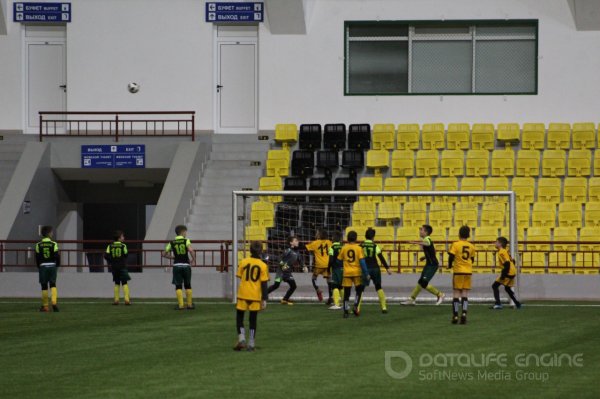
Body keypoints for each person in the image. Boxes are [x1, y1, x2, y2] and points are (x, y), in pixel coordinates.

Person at [234, 241, 269, 352]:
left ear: (250, 250)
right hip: (255, 295)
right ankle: (251, 343)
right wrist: (264, 299)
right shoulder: (263, 265)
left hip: (243, 293)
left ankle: (242, 337)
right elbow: (264, 283)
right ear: (261, 251)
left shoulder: (243, 262)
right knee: (252, 319)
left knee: (240, 316)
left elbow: (239, 276)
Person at [402, 225, 445, 306]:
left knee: (424, 282)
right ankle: (412, 299)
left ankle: (440, 295)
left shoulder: (427, 239)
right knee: (420, 282)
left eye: (421, 230)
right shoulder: (426, 239)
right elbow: (432, 251)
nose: (420, 231)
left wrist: (414, 242)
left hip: (432, 265)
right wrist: (425, 257)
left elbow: (427, 243)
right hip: (428, 264)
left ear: (426, 232)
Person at [162, 225, 196, 310]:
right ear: (182, 232)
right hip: (186, 265)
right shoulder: (186, 240)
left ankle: (181, 305)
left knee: (178, 285)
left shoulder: (172, 242)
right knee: (188, 285)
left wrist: (172, 257)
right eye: (185, 232)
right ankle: (189, 304)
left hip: (177, 266)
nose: (186, 234)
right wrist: (194, 259)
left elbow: (163, 254)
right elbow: (191, 250)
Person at [448, 226, 476, 324]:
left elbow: (451, 256)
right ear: (468, 235)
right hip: (468, 271)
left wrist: (449, 265)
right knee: (465, 293)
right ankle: (464, 314)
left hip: (458, 271)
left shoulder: (455, 244)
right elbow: (472, 259)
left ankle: (455, 316)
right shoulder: (471, 246)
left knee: (456, 293)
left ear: (459, 234)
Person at [337, 230, 368, 318]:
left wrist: (342, 267)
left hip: (347, 273)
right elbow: (362, 262)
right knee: (359, 290)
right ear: (356, 238)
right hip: (357, 273)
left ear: (347, 238)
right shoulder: (359, 248)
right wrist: (366, 273)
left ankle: (346, 311)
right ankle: (355, 306)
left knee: (347, 293)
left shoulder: (344, 248)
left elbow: (338, 261)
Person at [360, 227, 392, 313]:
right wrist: (387, 268)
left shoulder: (361, 245)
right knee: (378, 287)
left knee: (361, 288)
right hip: (375, 268)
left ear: (365, 236)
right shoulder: (375, 245)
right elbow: (381, 257)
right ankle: (384, 307)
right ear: (373, 237)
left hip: (365, 269)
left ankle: (357, 308)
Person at [268, 236, 302, 305]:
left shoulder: (297, 252)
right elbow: (279, 258)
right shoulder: (288, 250)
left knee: (293, 286)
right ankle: (262, 296)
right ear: (291, 243)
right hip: (280, 272)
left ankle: (285, 299)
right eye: (295, 240)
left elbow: (300, 261)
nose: (297, 242)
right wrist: (283, 265)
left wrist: (304, 266)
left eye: (297, 241)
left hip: (288, 273)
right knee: (276, 285)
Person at [491, 237, 522, 310]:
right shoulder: (505, 251)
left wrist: (503, 276)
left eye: (496, 242)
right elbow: (513, 261)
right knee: (507, 288)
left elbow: (507, 263)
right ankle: (517, 304)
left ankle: (498, 304)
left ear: (500, 244)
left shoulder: (501, 252)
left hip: (508, 272)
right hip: (512, 271)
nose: (495, 243)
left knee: (494, 286)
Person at [35, 225, 60, 312]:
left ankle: (45, 306)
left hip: (43, 266)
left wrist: (39, 266)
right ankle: (54, 302)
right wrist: (57, 265)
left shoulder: (38, 245)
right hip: (52, 265)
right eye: (51, 232)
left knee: (44, 286)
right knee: (53, 284)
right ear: (49, 233)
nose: (52, 233)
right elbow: (57, 256)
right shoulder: (54, 244)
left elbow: (37, 257)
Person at [305, 229, 333, 303]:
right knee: (329, 280)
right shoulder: (330, 242)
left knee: (314, 278)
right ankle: (331, 297)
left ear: (320, 235)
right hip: (328, 264)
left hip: (319, 265)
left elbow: (306, 248)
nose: (316, 234)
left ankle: (317, 289)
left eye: (317, 233)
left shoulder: (315, 243)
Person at [104, 230, 131, 305]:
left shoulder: (110, 246)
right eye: (122, 236)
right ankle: (127, 300)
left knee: (116, 282)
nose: (124, 238)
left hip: (114, 267)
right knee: (124, 282)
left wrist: (111, 261)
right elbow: (126, 255)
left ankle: (116, 300)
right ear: (119, 238)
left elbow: (105, 256)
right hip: (122, 266)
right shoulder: (123, 246)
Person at [327, 231, 344, 310]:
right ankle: (345, 303)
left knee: (334, 286)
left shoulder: (332, 247)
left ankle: (337, 304)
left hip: (336, 268)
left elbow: (330, 260)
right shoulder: (343, 246)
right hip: (343, 268)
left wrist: (328, 269)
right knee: (341, 286)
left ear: (333, 239)